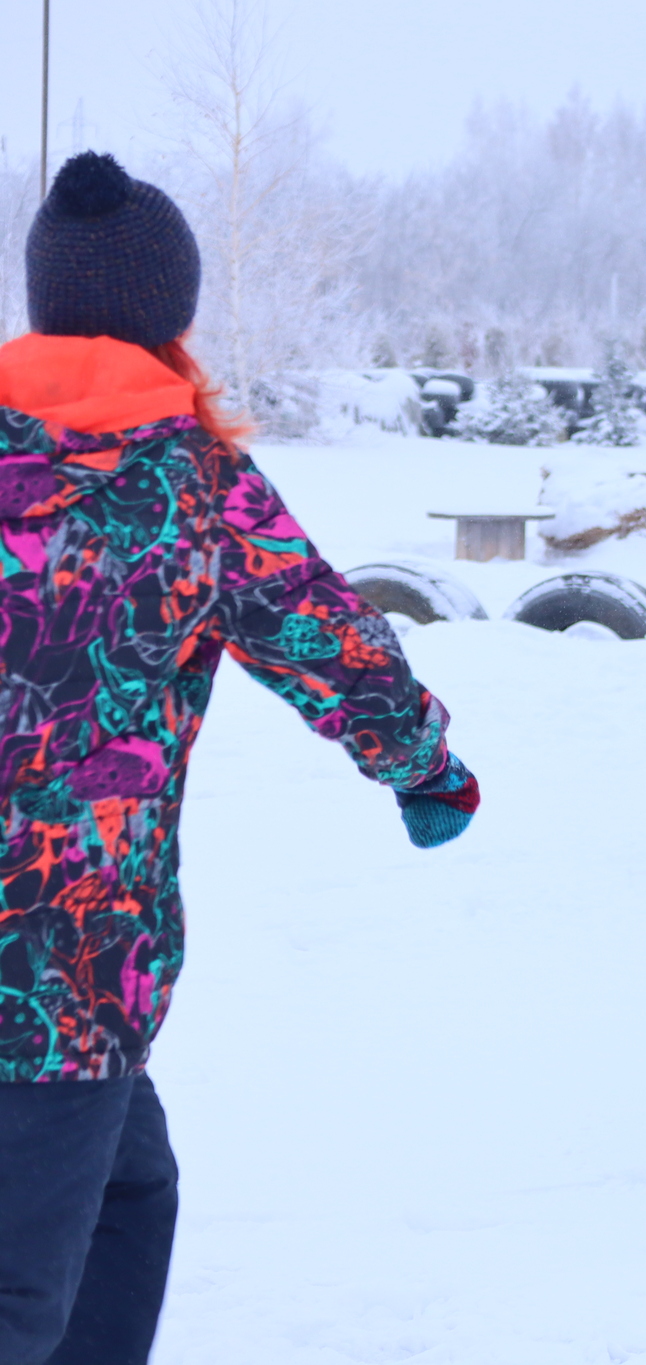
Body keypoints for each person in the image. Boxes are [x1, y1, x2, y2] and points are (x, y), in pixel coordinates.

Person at [0, 152, 479, 1364]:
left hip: (75, 995)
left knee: (128, 1195)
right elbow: (330, 639)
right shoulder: (194, 483)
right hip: (59, 976)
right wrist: (424, 767)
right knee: (22, 1296)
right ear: (173, 315)